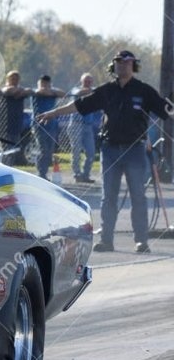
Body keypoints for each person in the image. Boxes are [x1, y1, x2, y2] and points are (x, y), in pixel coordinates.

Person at [37, 50, 174, 254]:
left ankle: (141, 242)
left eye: (127, 62)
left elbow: (167, 110)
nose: (123, 65)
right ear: (113, 66)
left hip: (135, 150)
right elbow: (79, 105)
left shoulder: (143, 90)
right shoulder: (106, 90)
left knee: (138, 196)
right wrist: (54, 113)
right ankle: (106, 240)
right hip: (110, 149)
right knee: (108, 197)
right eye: (118, 61)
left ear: (134, 66)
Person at [29, 75, 66, 179]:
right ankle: (41, 173)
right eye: (43, 83)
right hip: (39, 125)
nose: (45, 86)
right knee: (43, 149)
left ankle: (43, 172)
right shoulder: (36, 92)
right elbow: (42, 91)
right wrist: (48, 90)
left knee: (49, 151)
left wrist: (51, 90)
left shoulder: (53, 92)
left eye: (47, 83)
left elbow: (63, 94)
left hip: (52, 125)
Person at [68, 73, 102, 183]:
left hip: (88, 125)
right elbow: (79, 93)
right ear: (81, 81)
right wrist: (93, 91)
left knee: (91, 152)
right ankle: (77, 174)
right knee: (76, 150)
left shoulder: (94, 92)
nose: (88, 83)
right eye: (86, 81)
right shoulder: (76, 90)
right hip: (76, 124)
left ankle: (86, 174)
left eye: (90, 81)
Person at [0, 70, 33, 164]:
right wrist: (19, 91)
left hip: (16, 124)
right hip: (3, 124)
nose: (15, 80)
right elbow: (8, 91)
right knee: (5, 150)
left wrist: (20, 91)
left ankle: (9, 167)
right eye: (12, 78)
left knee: (13, 149)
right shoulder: (4, 89)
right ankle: (4, 168)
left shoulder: (20, 90)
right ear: (8, 79)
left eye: (16, 78)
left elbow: (30, 91)